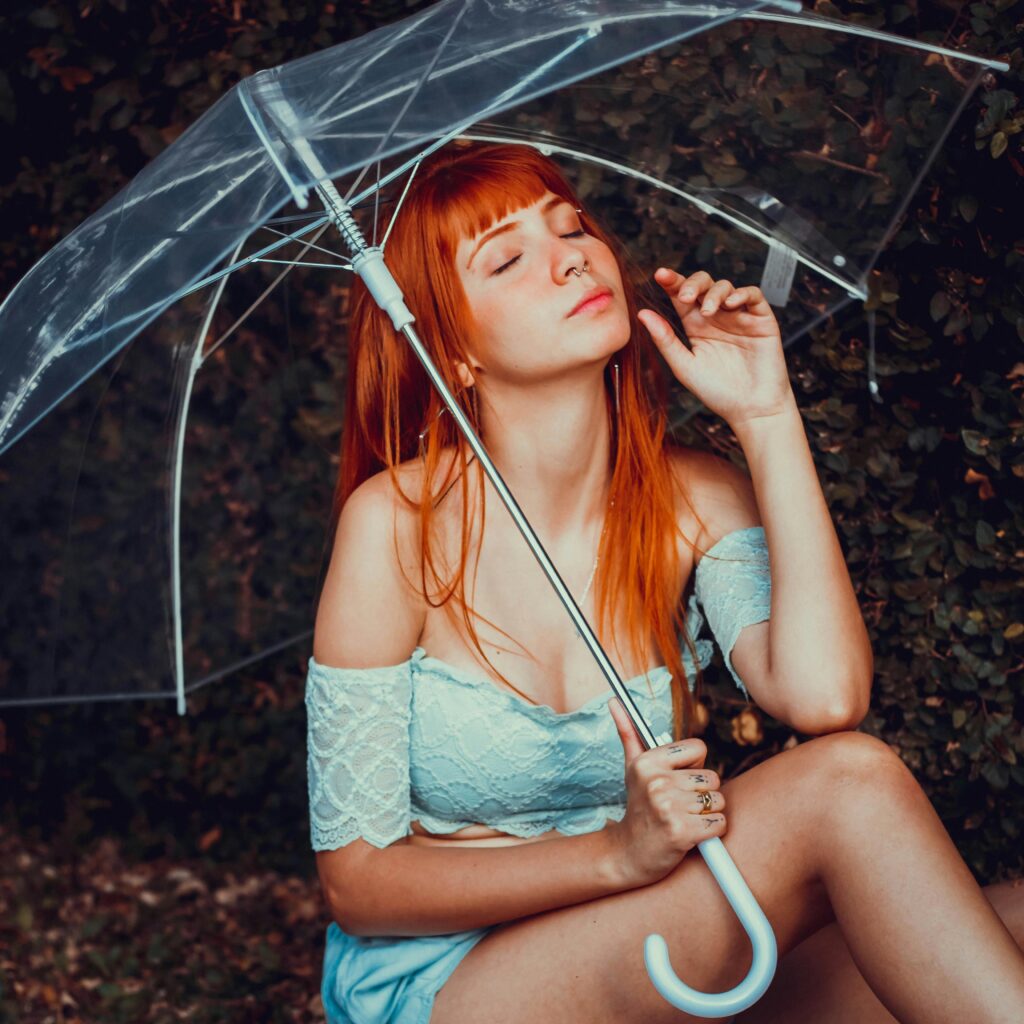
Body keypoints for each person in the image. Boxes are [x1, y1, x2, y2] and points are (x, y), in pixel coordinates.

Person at [305, 140, 1024, 1024]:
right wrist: (617, 855)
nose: (571, 255)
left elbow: (825, 695)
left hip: (644, 933)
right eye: (509, 257)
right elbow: (360, 884)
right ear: (454, 353)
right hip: (455, 983)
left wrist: (765, 415)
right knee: (847, 788)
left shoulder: (693, 495)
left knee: (1010, 920)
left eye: (570, 225)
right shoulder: (396, 525)